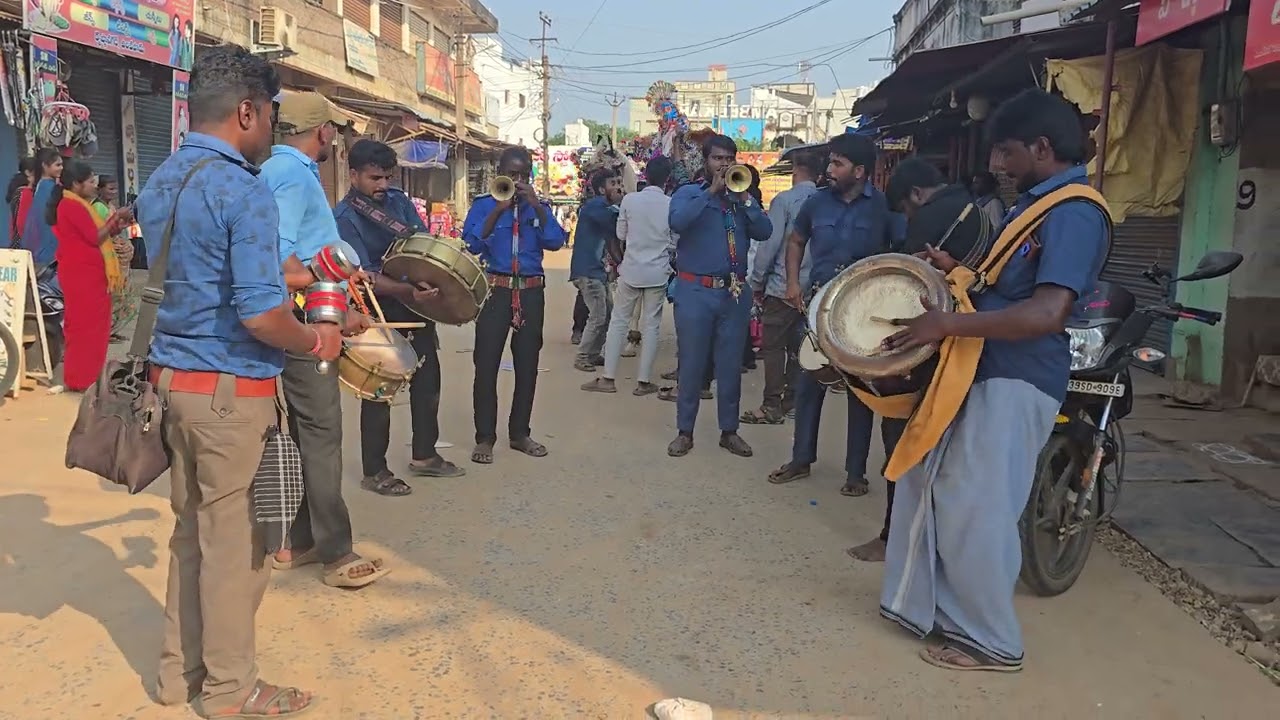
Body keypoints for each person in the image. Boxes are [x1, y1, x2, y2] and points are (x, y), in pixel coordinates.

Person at [138, 45, 339, 718]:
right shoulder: (242, 190)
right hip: (228, 395)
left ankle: (179, 676)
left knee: (192, 538)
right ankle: (230, 692)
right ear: (248, 111)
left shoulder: (162, 179)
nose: (272, 130)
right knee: (239, 551)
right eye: (271, 116)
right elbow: (259, 314)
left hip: (173, 387)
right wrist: (317, 339)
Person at [879, 89, 1110, 672]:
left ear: (1041, 147)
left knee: (978, 505)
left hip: (1018, 375)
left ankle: (991, 640)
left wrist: (944, 321)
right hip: (982, 368)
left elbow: (1046, 313)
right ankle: (936, 613)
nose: (997, 166)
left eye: (1006, 153)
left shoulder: (1075, 212)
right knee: (933, 484)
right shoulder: (1038, 204)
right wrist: (959, 275)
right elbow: (1012, 292)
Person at [261, 91, 389, 588]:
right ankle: (335, 552)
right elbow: (279, 258)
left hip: (299, 315)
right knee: (319, 433)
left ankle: (299, 540)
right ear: (324, 132)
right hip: (305, 322)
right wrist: (330, 309)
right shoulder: (292, 176)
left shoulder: (276, 169)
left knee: (298, 434)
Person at [846, 156, 994, 563]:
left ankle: (894, 535)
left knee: (902, 436)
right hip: (975, 344)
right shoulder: (980, 213)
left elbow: (908, 290)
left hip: (934, 349)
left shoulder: (931, 218)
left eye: (906, 210)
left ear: (914, 194)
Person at [767, 133, 905, 497]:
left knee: (861, 391)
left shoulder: (882, 206)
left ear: (860, 171)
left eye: (837, 163)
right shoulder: (816, 203)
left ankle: (855, 473)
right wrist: (793, 283)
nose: (829, 169)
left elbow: (898, 254)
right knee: (809, 380)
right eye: (830, 162)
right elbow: (796, 241)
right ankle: (800, 459)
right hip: (818, 305)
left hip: (864, 313)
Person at [335, 139, 465, 495]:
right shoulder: (344, 218)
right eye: (375, 178)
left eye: (387, 178)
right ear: (354, 175)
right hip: (376, 310)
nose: (383, 186)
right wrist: (408, 289)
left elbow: (421, 242)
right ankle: (374, 470)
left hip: (415, 302)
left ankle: (425, 454)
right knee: (380, 386)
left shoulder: (399, 202)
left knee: (428, 380)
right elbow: (365, 275)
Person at [665, 134, 772, 458]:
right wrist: (711, 192)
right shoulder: (688, 194)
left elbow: (765, 232)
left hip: (733, 293)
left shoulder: (741, 198)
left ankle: (729, 431)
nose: (724, 165)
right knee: (692, 364)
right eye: (717, 159)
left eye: (729, 159)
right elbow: (677, 222)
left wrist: (746, 201)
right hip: (695, 290)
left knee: (729, 366)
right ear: (706, 162)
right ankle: (685, 431)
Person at [463, 146, 566, 464]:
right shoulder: (483, 206)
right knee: (486, 365)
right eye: (512, 174)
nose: (518, 180)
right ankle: (485, 437)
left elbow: (555, 241)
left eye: (524, 175)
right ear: (500, 174)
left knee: (527, 366)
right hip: (496, 291)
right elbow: (470, 244)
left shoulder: (540, 207)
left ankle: (520, 433)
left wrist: (537, 207)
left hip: (532, 293)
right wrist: (497, 210)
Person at [581, 155, 675, 396]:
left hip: (631, 269)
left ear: (646, 176)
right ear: (667, 180)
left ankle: (608, 379)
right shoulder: (671, 203)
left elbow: (620, 235)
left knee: (619, 322)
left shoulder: (630, 201)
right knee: (651, 325)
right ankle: (643, 382)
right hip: (657, 272)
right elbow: (674, 241)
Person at [742, 151, 821, 424]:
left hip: (782, 285)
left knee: (773, 347)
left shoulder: (785, 201)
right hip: (815, 288)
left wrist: (757, 283)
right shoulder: (826, 202)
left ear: (796, 171)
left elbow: (770, 244)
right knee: (800, 346)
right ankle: (793, 400)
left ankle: (771, 405)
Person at [48, 160, 130, 391]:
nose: (96, 186)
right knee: (87, 329)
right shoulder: (72, 206)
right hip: (83, 276)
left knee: (88, 328)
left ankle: (85, 377)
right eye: (91, 182)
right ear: (76, 184)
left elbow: (95, 236)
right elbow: (95, 237)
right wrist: (116, 218)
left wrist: (117, 224)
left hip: (87, 274)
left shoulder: (77, 204)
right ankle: (83, 380)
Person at [570, 169, 622, 371]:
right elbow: (616, 224)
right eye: (613, 183)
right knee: (599, 315)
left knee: (607, 313)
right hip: (588, 271)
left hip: (597, 271)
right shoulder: (595, 207)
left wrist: (618, 264)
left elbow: (612, 240)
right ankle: (583, 356)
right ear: (601, 189)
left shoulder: (604, 208)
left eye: (619, 182)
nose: (618, 186)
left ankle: (593, 353)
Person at [23, 147, 63, 269]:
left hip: (43, 247)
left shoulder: (41, 186)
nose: (61, 168)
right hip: (50, 248)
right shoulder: (49, 188)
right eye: (58, 165)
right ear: (45, 166)